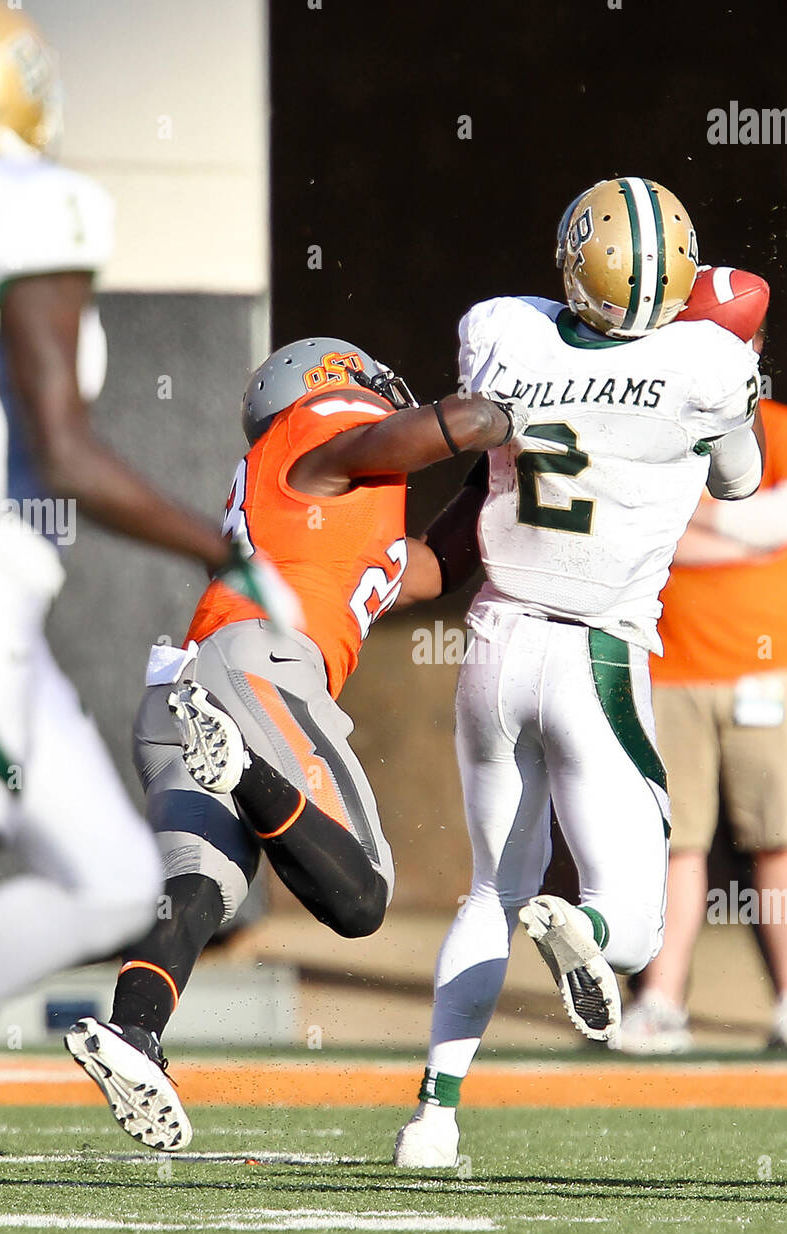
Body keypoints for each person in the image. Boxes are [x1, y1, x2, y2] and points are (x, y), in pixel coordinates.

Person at [65, 336, 525, 1150]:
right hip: (258, 668)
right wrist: (494, 416)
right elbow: (393, 435)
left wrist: (495, 481)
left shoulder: (329, 511)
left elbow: (433, 568)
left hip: (183, 686)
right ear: (324, 384)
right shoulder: (321, 427)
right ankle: (242, 765)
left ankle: (130, 1035)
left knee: (198, 887)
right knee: (361, 895)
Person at [393, 177, 764, 1168]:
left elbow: (501, 427)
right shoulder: (707, 362)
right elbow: (740, 480)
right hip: (598, 648)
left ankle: (434, 1114)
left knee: (488, 892)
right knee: (635, 918)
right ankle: (582, 922)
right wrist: (746, 371)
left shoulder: (502, 331)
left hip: (493, 636)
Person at [0, 4, 285, 1015]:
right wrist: (228, 549)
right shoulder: (30, 199)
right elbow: (65, 450)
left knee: (111, 878)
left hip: (13, 623)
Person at [614, 317, 787, 1055]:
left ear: (756, 350)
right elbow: (650, 536)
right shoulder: (644, 431)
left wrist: (697, 520)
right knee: (673, 847)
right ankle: (661, 1005)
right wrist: (746, 528)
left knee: (783, 839)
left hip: (772, 672)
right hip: (664, 670)